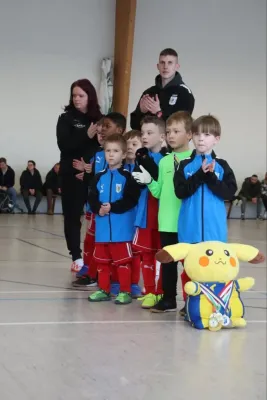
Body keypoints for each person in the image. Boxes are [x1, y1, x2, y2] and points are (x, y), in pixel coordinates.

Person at [173, 115, 237, 313]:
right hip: (189, 228)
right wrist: (200, 175)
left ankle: (214, 304)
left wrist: (210, 177)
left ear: (216, 139)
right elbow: (181, 192)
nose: (201, 139)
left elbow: (228, 193)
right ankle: (190, 304)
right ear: (191, 136)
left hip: (214, 229)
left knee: (215, 269)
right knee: (190, 269)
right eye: (198, 134)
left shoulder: (223, 166)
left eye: (207, 134)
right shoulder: (184, 165)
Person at [133, 112, 193, 313]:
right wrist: (148, 181)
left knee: (189, 265)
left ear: (190, 134)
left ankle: (190, 300)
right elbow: (158, 191)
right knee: (168, 264)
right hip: (166, 220)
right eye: (168, 132)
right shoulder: (165, 162)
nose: (171, 135)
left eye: (177, 131)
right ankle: (169, 299)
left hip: (185, 221)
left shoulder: (194, 160)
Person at [72, 112, 127, 288]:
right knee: (91, 240)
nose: (102, 129)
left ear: (119, 130)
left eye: (107, 126)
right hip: (95, 207)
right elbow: (95, 181)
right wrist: (87, 173)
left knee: (105, 242)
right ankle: (90, 270)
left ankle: (104, 274)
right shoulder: (97, 154)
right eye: (101, 126)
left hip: (111, 209)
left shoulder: (123, 157)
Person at [87, 134, 140, 304]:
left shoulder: (127, 177)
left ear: (123, 155)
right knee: (102, 262)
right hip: (102, 229)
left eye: (115, 151)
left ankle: (125, 291)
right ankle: (104, 289)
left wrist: (113, 207)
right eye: (108, 151)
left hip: (121, 230)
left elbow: (131, 200)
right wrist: (98, 209)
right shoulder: (98, 177)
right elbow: (92, 198)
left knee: (123, 262)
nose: (111, 154)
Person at [56, 78, 102, 272]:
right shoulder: (65, 119)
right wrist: (86, 136)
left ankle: (99, 256)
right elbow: (65, 146)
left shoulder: (99, 119)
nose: (77, 99)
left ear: (89, 96)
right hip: (71, 176)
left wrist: (89, 167)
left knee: (97, 215)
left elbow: (104, 148)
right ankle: (76, 256)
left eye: (81, 95)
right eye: (74, 95)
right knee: (73, 216)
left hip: (92, 175)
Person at [132, 116, 167, 308]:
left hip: (160, 215)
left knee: (160, 255)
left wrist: (144, 160)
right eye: (142, 133)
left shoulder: (166, 159)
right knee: (145, 254)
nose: (144, 137)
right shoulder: (141, 156)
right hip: (144, 213)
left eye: (149, 133)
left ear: (162, 136)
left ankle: (160, 292)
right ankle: (149, 290)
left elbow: (158, 181)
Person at [130, 48, 195, 130]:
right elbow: (134, 126)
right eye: (162, 63)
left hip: (171, 143)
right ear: (158, 66)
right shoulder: (149, 92)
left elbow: (181, 127)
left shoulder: (184, 92)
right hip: (148, 142)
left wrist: (159, 112)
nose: (165, 67)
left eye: (170, 63)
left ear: (177, 67)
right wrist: (141, 112)